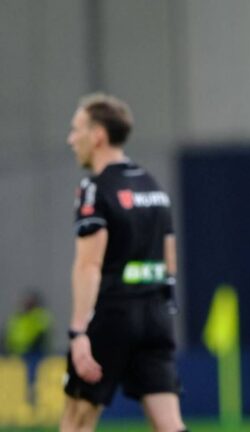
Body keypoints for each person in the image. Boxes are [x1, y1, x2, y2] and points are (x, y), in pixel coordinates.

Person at [60, 93, 186, 432]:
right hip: (156, 317)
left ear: (97, 135)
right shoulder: (152, 185)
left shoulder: (94, 189)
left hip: (112, 316)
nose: (71, 140)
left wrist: (78, 333)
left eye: (76, 130)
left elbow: (88, 265)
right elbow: (169, 253)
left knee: (76, 421)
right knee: (169, 423)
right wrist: (163, 309)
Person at [2, 290, 52, 356]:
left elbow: (43, 333)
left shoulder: (39, 315)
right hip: (14, 352)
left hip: (33, 352)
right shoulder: (16, 316)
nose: (27, 303)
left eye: (30, 301)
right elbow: (8, 333)